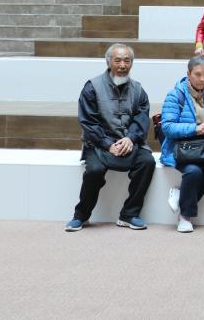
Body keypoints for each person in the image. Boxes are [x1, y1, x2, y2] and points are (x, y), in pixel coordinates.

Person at [65, 44, 155, 232]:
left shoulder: (139, 90)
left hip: (129, 142)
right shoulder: (92, 87)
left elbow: (141, 119)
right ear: (108, 62)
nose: (122, 65)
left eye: (127, 61)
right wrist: (107, 144)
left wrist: (130, 138)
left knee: (147, 162)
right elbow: (88, 122)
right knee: (94, 171)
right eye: (118, 60)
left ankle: (129, 214)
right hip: (98, 143)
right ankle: (81, 215)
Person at [159, 55, 204, 233]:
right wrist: (195, 129)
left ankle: (181, 196)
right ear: (188, 74)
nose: (202, 79)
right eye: (198, 74)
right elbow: (167, 127)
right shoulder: (175, 95)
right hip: (181, 148)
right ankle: (185, 216)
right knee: (194, 171)